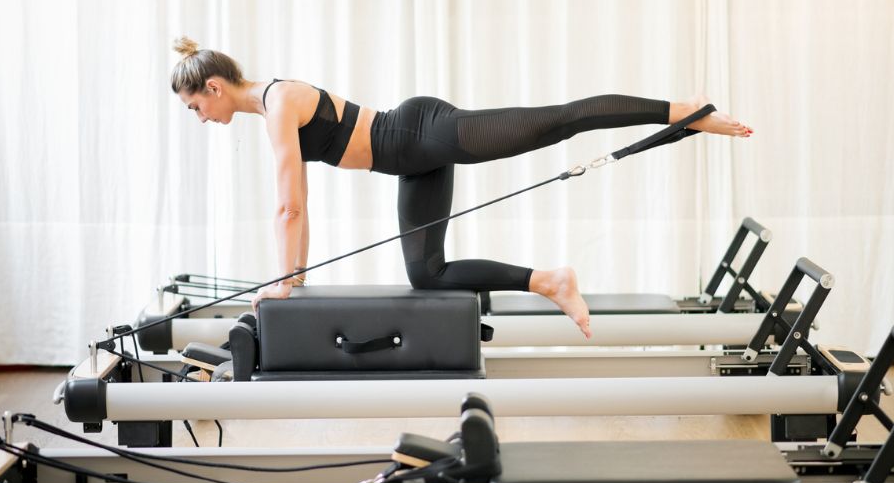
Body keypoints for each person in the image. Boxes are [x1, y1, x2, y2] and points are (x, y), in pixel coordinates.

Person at [170, 37, 753, 338]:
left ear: (215, 87)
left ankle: (686, 110)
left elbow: (289, 208)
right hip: (411, 161)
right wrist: (292, 280)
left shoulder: (277, 105)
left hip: (424, 133)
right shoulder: (272, 105)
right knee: (428, 275)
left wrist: (284, 282)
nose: (200, 118)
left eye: (196, 106)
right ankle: (550, 281)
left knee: (559, 120)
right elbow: (294, 205)